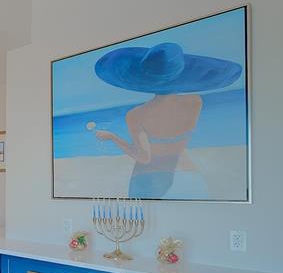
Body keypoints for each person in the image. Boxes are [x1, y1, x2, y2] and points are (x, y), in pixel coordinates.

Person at [92, 42, 241, 199]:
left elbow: (144, 158)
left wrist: (112, 137)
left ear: (145, 79)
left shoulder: (136, 115)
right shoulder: (195, 102)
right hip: (190, 176)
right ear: (181, 74)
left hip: (150, 180)